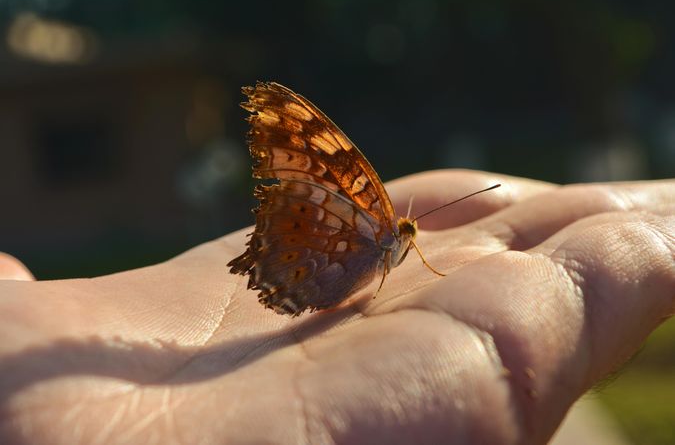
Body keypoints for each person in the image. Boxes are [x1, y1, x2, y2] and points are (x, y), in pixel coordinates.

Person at [0, 169, 672, 444]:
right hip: (305, 268)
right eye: (409, 236)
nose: (410, 239)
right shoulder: (377, 230)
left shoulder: (391, 240)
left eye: (409, 236)